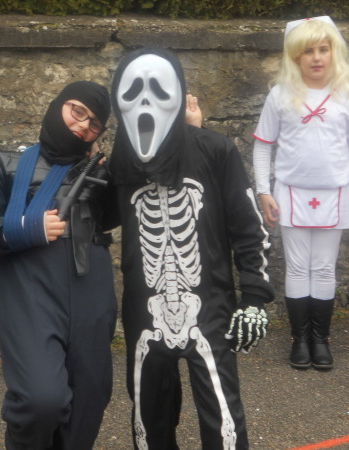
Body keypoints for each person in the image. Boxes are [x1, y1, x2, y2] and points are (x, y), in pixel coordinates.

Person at [109, 48, 274, 449]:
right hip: (144, 309)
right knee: (148, 414)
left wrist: (254, 297)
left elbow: (247, 225)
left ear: (179, 95)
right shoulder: (120, 162)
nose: (144, 102)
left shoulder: (215, 149)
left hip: (210, 304)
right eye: (132, 91)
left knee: (222, 416)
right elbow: (95, 219)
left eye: (158, 90)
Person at [0, 81, 117, 449]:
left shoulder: (100, 172)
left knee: (90, 399)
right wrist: (23, 227)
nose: (83, 125)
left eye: (94, 123)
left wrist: (188, 131)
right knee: (40, 400)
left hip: (91, 289)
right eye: (78, 111)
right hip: (29, 290)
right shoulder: (6, 164)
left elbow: (147, 186)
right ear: (58, 104)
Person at [253, 16, 349, 371]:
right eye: (308, 51)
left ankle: (320, 339)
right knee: (297, 266)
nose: (317, 57)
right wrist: (263, 191)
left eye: (323, 49)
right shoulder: (280, 95)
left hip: (335, 193)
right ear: (295, 56)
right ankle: (300, 339)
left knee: (323, 267)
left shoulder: (345, 93)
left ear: (334, 51)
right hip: (291, 193)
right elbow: (263, 145)